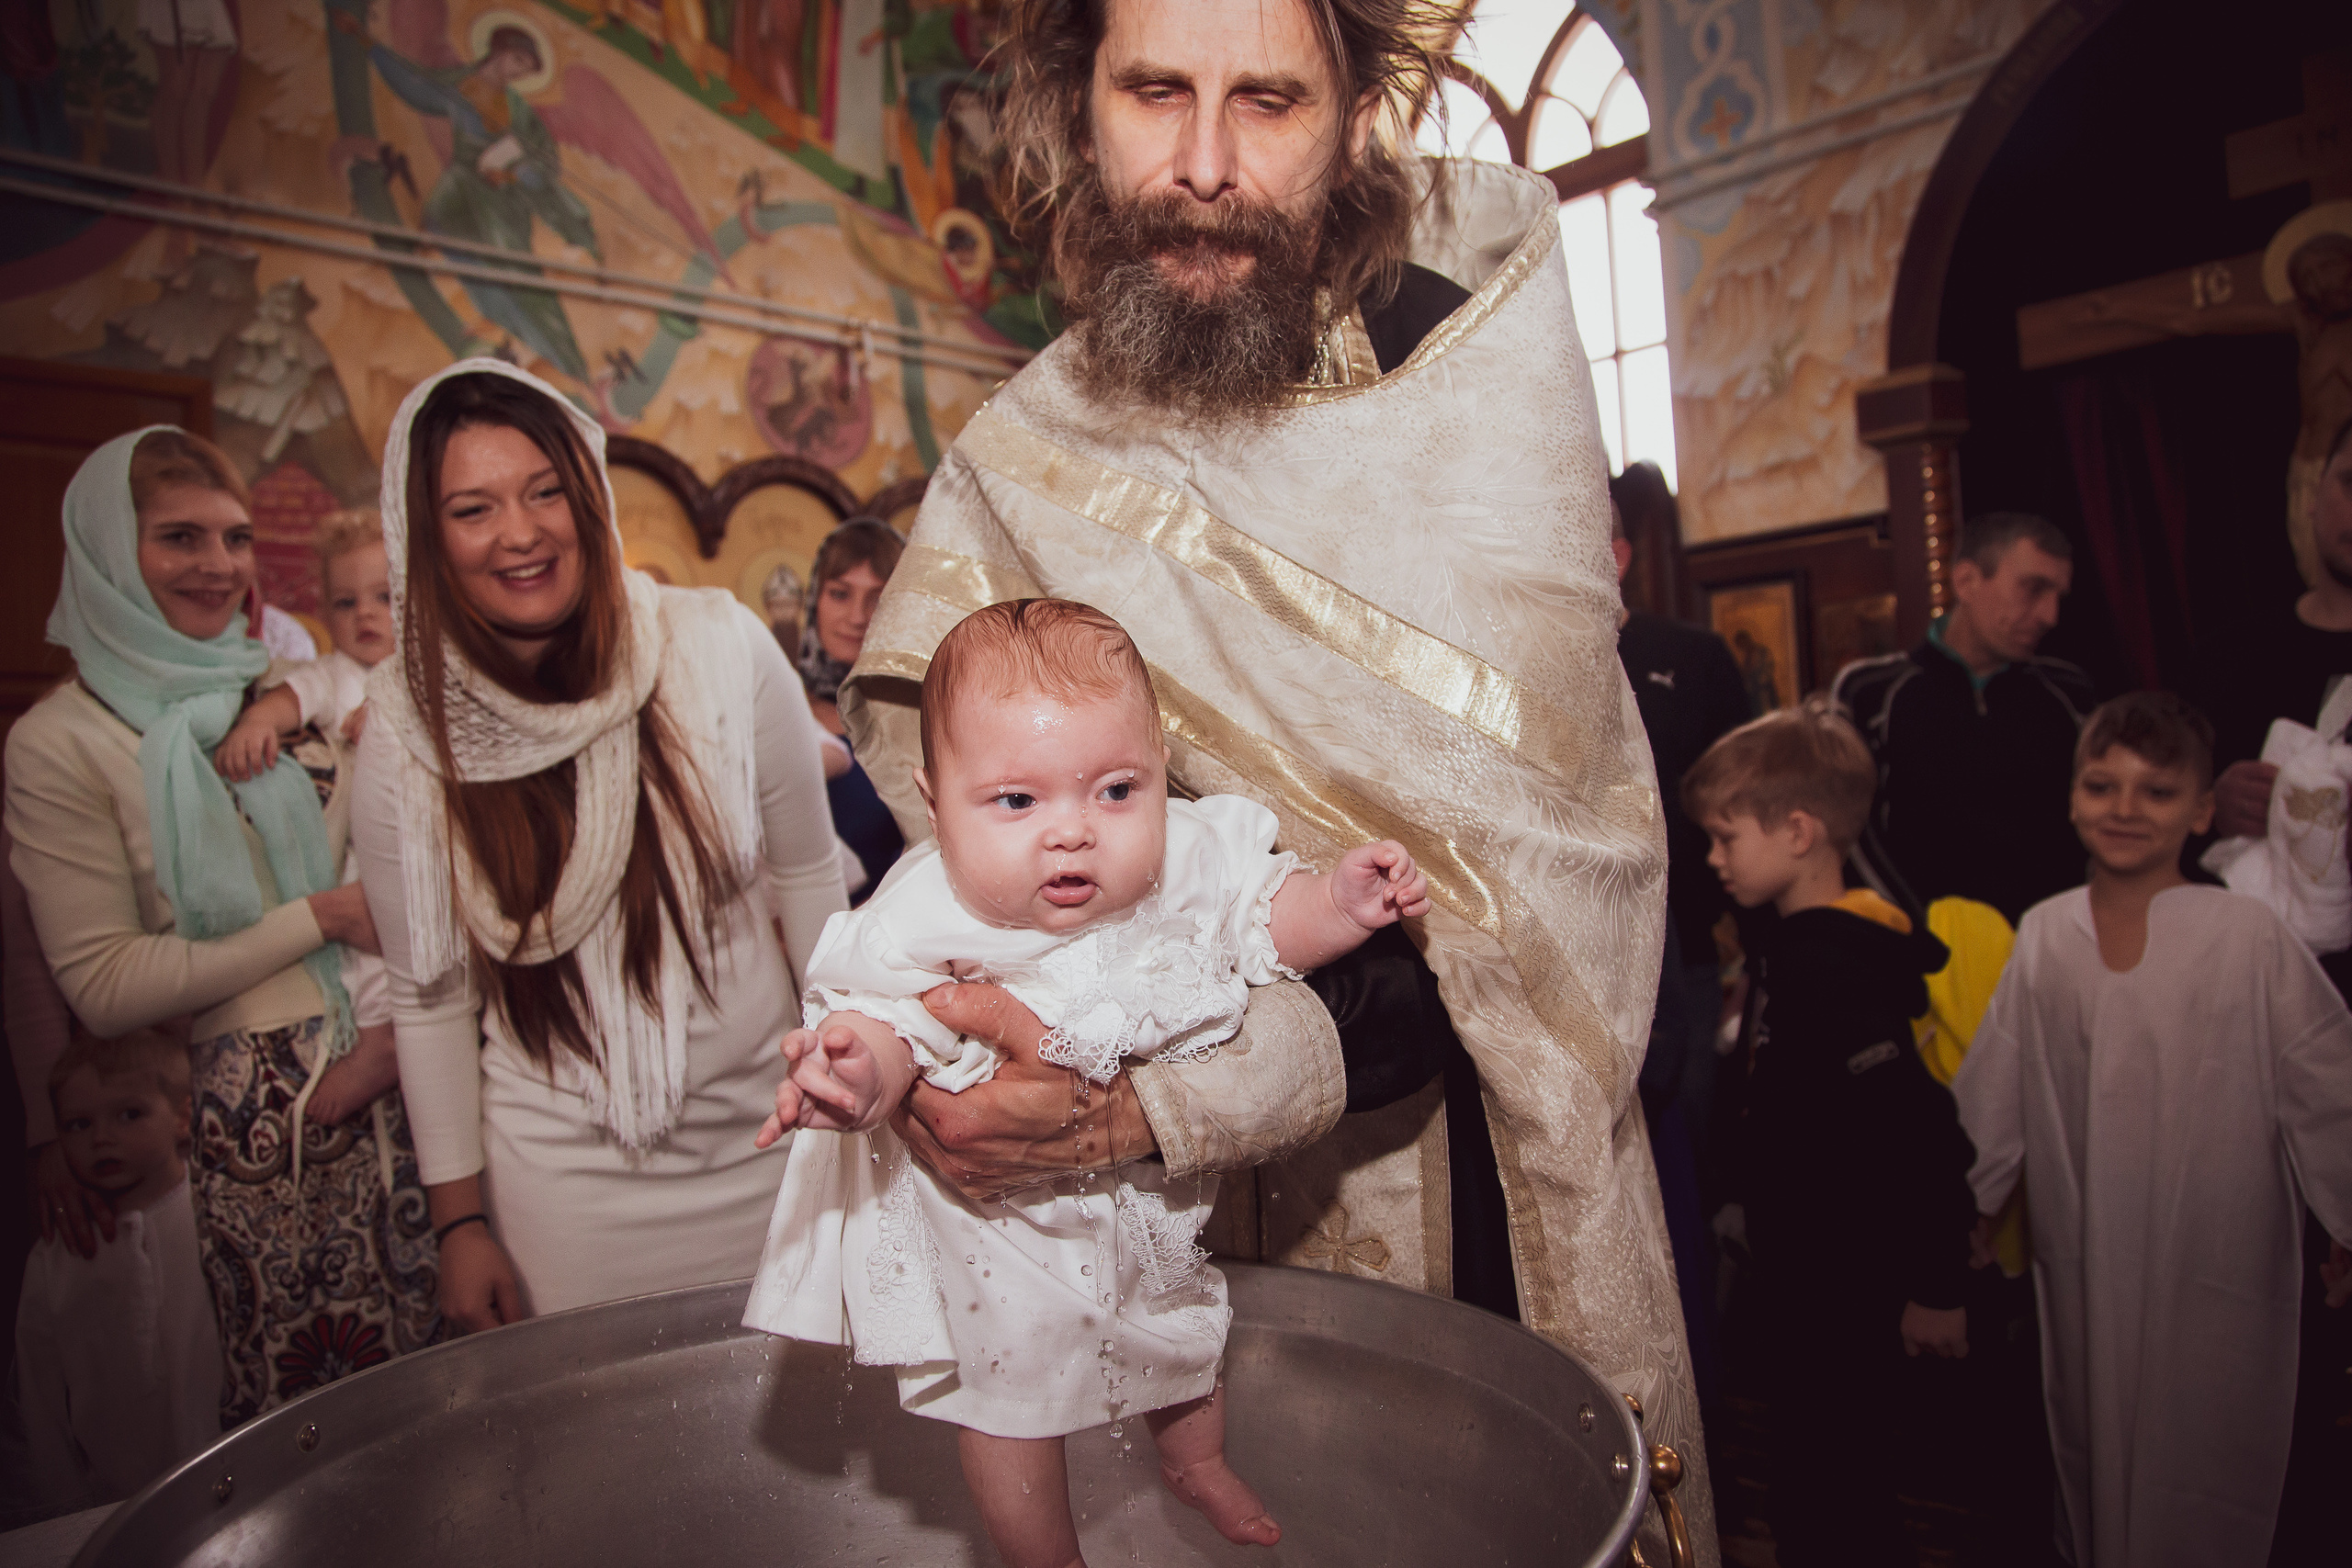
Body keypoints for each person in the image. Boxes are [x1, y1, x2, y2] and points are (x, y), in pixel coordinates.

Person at [831, 3, 1712, 1558]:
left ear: (1359, 104)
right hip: (1134, 1241)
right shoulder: (1026, 450)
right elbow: (979, 872)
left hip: (1468, 1189)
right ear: (1072, 99)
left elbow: (1540, 921)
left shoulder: (1475, 374)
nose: (1208, 164)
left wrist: (1160, 1101)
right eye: (1156, 90)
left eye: (1273, 100)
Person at [748, 600, 1430, 1567]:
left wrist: (1339, 903)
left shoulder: (1184, 857)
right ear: (934, 802)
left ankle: (1197, 1463)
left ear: (1159, 771)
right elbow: (888, 1021)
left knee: (1183, 1331)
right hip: (997, 1228)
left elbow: (1264, 922)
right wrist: (853, 1072)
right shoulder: (923, 913)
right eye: (1017, 803)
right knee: (1009, 1398)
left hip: (1144, 1197)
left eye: (1115, 789)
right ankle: (1044, 1555)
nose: (1072, 833)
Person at [350, 360, 847, 1331]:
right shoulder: (407, 733)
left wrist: (843, 1092)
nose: (521, 532)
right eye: (472, 508)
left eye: (544, 491)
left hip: (769, 1150)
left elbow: (807, 878)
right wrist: (461, 1226)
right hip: (563, 1191)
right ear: (425, 536)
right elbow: (430, 992)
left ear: (589, 496)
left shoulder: (717, 647)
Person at [6, 427, 436, 1424]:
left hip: (396, 1078)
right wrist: (320, 917)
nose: (217, 564)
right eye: (178, 538)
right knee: (294, 1417)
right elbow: (103, 986)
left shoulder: (281, 695)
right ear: (112, 552)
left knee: (427, 1390)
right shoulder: (62, 740)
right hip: (239, 1126)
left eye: (235, 538)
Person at [1951, 693, 2352, 1568]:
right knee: (2097, 1446)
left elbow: (2331, 1088)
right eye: (2102, 785)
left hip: (2218, 1256)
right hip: (2087, 1251)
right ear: (2071, 796)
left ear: (2203, 810)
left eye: (2157, 791)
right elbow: (1998, 1088)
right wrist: (1965, 1220)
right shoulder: (2048, 932)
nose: (2125, 809)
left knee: (2205, 1446)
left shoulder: (2249, 936)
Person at [1684, 699, 1976, 1568]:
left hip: (1848, 1273)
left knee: (1844, 1485)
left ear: (1799, 831)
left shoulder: (1837, 966)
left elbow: (1919, 1130)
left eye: (1728, 838)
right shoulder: (1797, 946)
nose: (1714, 857)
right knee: (1811, 1471)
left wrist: (1937, 1280)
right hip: (1802, 1265)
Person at [1608, 479, 1749, 1415]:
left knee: (1679, 1169)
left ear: (1617, 551)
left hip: (1681, 967)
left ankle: (1702, 1393)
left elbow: (1747, 806)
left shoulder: (1689, 660)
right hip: (1565, 977)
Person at [212, 509, 401, 1128]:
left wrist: (400, 721)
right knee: (367, 942)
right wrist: (256, 724)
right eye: (346, 602)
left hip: (447, 844)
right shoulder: (334, 673)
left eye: (385, 597)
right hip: (375, 847)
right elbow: (289, 700)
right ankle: (379, 1040)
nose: (365, 615)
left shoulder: (435, 670)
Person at [1834, 513, 2093, 923]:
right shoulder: (1871, 692)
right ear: (1967, 581)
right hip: (1921, 954)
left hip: (2049, 950)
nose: (2049, 615)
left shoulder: (2070, 693)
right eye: (2033, 589)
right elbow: (1849, 831)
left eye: (2058, 596)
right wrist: (1922, 933)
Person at [16, 1027, 222, 1509]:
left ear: (182, 1118)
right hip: (114, 1507)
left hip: (232, 1482)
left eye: (130, 1114)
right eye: (78, 1124)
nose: (102, 1138)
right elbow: (39, 1408)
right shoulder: (54, 1260)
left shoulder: (218, 1217)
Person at [797, 519, 908, 897]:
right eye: (840, 594)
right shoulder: (779, 709)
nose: (858, 617)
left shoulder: (927, 714)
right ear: (814, 601)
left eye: (877, 598)